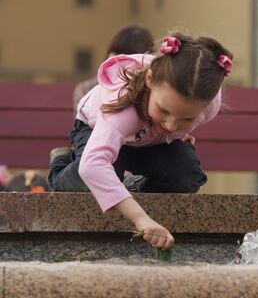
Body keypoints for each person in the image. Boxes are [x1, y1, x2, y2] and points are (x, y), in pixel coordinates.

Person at [48, 32, 233, 250]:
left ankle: (129, 188)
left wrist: (176, 135)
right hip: (96, 128)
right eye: (164, 110)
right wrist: (140, 219)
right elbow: (93, 167)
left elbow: (173, 127)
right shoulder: (122, 107)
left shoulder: (207, 101)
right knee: (94, 180)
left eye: (186, 118)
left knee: (186, 176)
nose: (172, 124)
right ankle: (61, 166)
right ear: (150, 80)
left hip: (150, 138)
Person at [73, 24, 155, 111]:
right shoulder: (87, 90)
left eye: (129, 57)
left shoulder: (152, 91)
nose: (119, 60)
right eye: (117, 53)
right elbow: (82, 121)